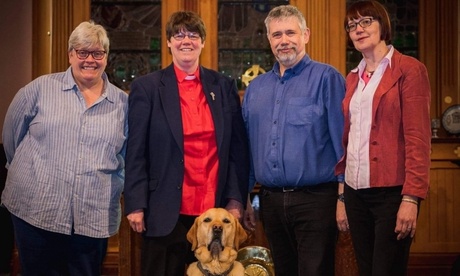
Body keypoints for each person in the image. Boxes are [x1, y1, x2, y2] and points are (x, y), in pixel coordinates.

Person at [123, 11, 249, 276]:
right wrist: (136, 204)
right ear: (168, 42)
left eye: (193, 35)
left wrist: (236, 199)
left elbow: (237, 150)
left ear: (203, 42)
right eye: (178, 35)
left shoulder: (224, 86)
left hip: (212, 213)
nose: (186, 41)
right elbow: (135, 151)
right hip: (164, 210)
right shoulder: (147, 88)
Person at [1, 21, 128, 276]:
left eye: (97, 53)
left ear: (106, 57)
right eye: (82, 52)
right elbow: (11, 138)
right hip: (35, 211)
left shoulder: (123, 104)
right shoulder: (39, 89)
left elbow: (126, 157)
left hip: (92, 216)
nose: (89, 59)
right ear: (70, 54)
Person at [242, 5, 346, 276]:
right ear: (269, 40)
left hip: (316, 202)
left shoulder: (327, 79)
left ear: (306, 35)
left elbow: (342, 145)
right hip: (270, 202)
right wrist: (245, 199)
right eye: (277, 35)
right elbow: (249, 149)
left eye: (291, 32)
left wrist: (343, 198)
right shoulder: (255, 89)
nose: (284, 40)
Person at [335, 1, 431, 275]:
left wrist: (411, 198)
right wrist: (342, 197)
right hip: (355, 192)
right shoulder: (352, 78)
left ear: (382, 25)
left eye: (366, 21)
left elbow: (418, 140)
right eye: (352, 25)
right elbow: (349, 140)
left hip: (392, 193)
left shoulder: (409, 70)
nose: (358, 29)